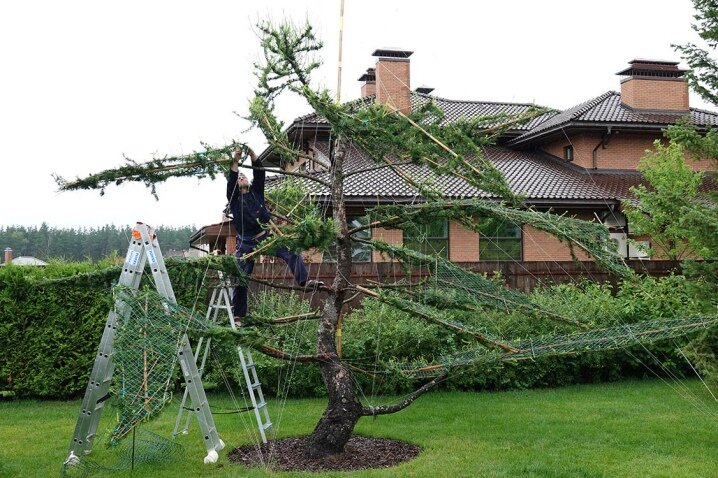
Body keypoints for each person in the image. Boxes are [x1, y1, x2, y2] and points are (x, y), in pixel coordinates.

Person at [227, 148, 323, 318]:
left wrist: (252, 155)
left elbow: (260, 173)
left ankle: (305, 281)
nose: (242, 178)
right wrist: (235, 160)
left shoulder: (257, 192)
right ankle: (239, 315)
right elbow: (232, 177)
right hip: (245, 242)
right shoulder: (234, 199)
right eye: (239, 177)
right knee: (241, 278)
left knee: (291, 251)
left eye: (244, 176)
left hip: (265, 237)